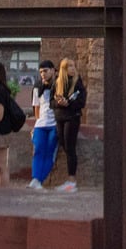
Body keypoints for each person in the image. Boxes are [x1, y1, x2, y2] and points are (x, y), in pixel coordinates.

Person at [52, 58, 87, 193]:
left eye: (73, 66)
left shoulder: (77, 83)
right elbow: (51, 102)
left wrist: (69, 103)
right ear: (63, 69)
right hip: (60, 117)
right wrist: (58, 103)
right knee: (63, 144)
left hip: (72, 117)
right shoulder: (58, 83)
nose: (72, 69)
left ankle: (72, 181)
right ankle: (69, 180)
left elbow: (81, 102)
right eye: (69, 67)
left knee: (70, 146)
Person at [28, 59, 59, 190]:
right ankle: (35, 179)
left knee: (50, 152)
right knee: (38, 150)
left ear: (53, 70)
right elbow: (36, 108)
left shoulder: (59, 85)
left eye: (45, 71)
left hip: (55, 124)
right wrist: (36, 124)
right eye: (41, 72)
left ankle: (40, 180)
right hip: (41, 124)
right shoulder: (37, 87)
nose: (43, 74)